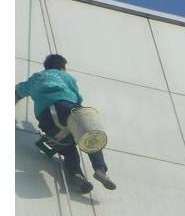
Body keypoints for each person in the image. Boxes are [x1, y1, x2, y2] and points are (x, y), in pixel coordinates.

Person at [15, 54, 116, 193]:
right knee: (91, 138)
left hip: (46, 120)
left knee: (69, 152)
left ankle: (76, 175)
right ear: (62, 68)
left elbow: (18, 91)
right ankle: (100, 169)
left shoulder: (36, 78)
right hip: (66, 108)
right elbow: (77, 97)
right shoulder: (66, 76)